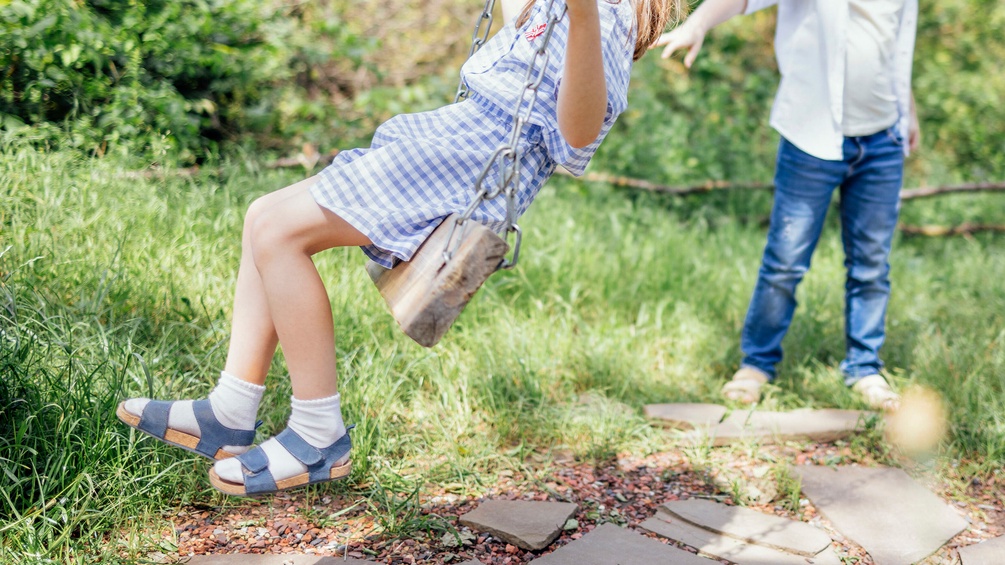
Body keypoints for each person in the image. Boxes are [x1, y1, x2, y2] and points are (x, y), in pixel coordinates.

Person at [117, 0, 685, 496]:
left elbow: (580, 133)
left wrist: (583, 10)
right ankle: (230, 410)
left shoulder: (605, 13)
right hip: (448, 137)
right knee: (262, 216)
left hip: (468, 160)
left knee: (279, 233)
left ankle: (319, 434)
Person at [653, 0, 920, 410]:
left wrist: (909, 113)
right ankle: (756, 364)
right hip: (812, 135)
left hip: (884, 137)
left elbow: (896, 47)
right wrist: (699, 22)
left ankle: (865, 367)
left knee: (872, 265)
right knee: (785, 261)